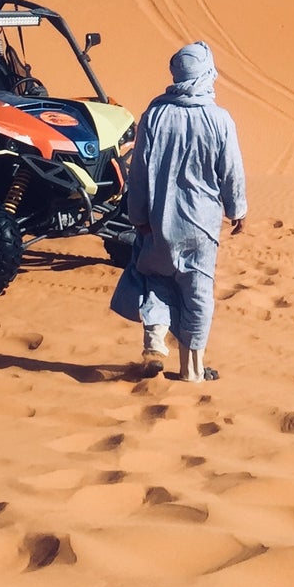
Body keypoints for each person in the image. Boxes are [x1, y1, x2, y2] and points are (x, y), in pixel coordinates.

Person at [109, 41, 246, 382]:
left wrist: (137, 216)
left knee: (154, 279)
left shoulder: (155, 114)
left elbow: (138, 171)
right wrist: (237, 209)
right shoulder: (220, 119)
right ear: (206, 74)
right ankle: (192, 370)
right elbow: (231, 171)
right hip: (201, 227)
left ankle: (155, 343)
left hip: (158, 222)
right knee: (197, 293)